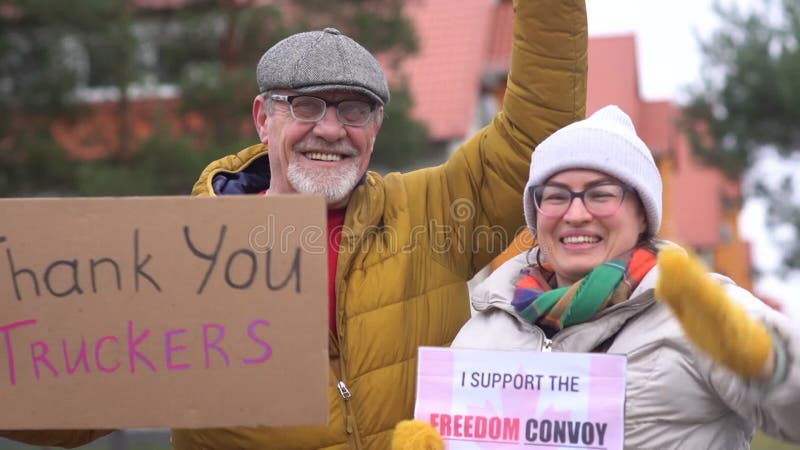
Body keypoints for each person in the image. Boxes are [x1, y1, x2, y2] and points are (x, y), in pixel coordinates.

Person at [1, 1, 588, 448]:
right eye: (305, 105)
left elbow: (537, 132)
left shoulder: (434, 212)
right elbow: (65, 403)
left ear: (376, 126)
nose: (330, 130)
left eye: (353, 109)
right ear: (263, 118)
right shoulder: (178, 256)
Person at [451, 105, 800, 449]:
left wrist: (771, 365)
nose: (575, 214)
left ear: (643, 215)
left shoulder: (702, 310)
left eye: (601, 195)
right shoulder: (485, 329)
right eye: (556, 196)